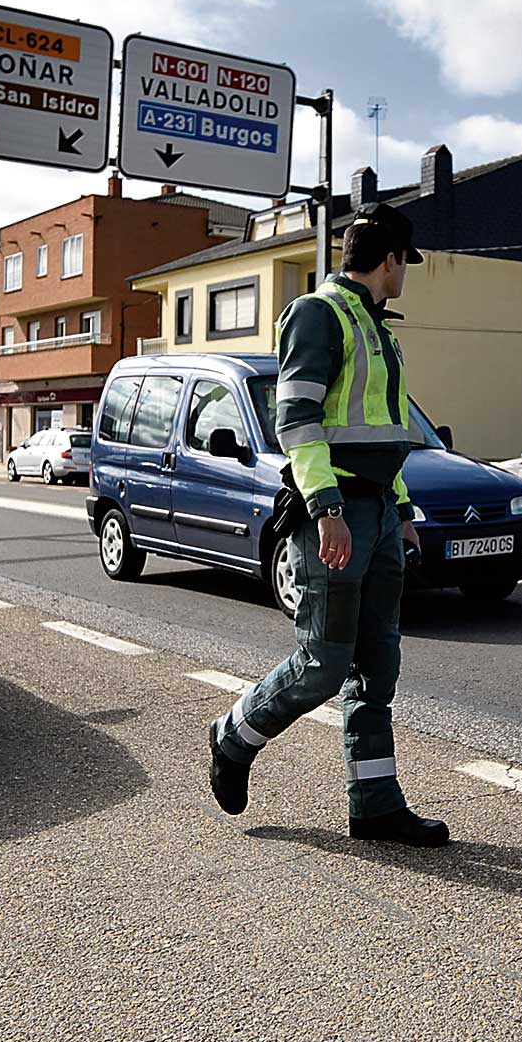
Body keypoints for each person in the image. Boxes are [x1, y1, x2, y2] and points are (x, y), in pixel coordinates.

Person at [204, 205, 450, 847]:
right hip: (334, 513)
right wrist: (327, 510)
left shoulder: (379, 330)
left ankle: (375, 807)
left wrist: (402, 515)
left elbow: (387, 435)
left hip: (378, 514)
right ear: (390, 258)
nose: (405, 277)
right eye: (406, 265)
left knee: (378, 669)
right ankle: (232, 737)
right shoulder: (320, 313)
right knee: (324, 663)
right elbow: (298, 423)